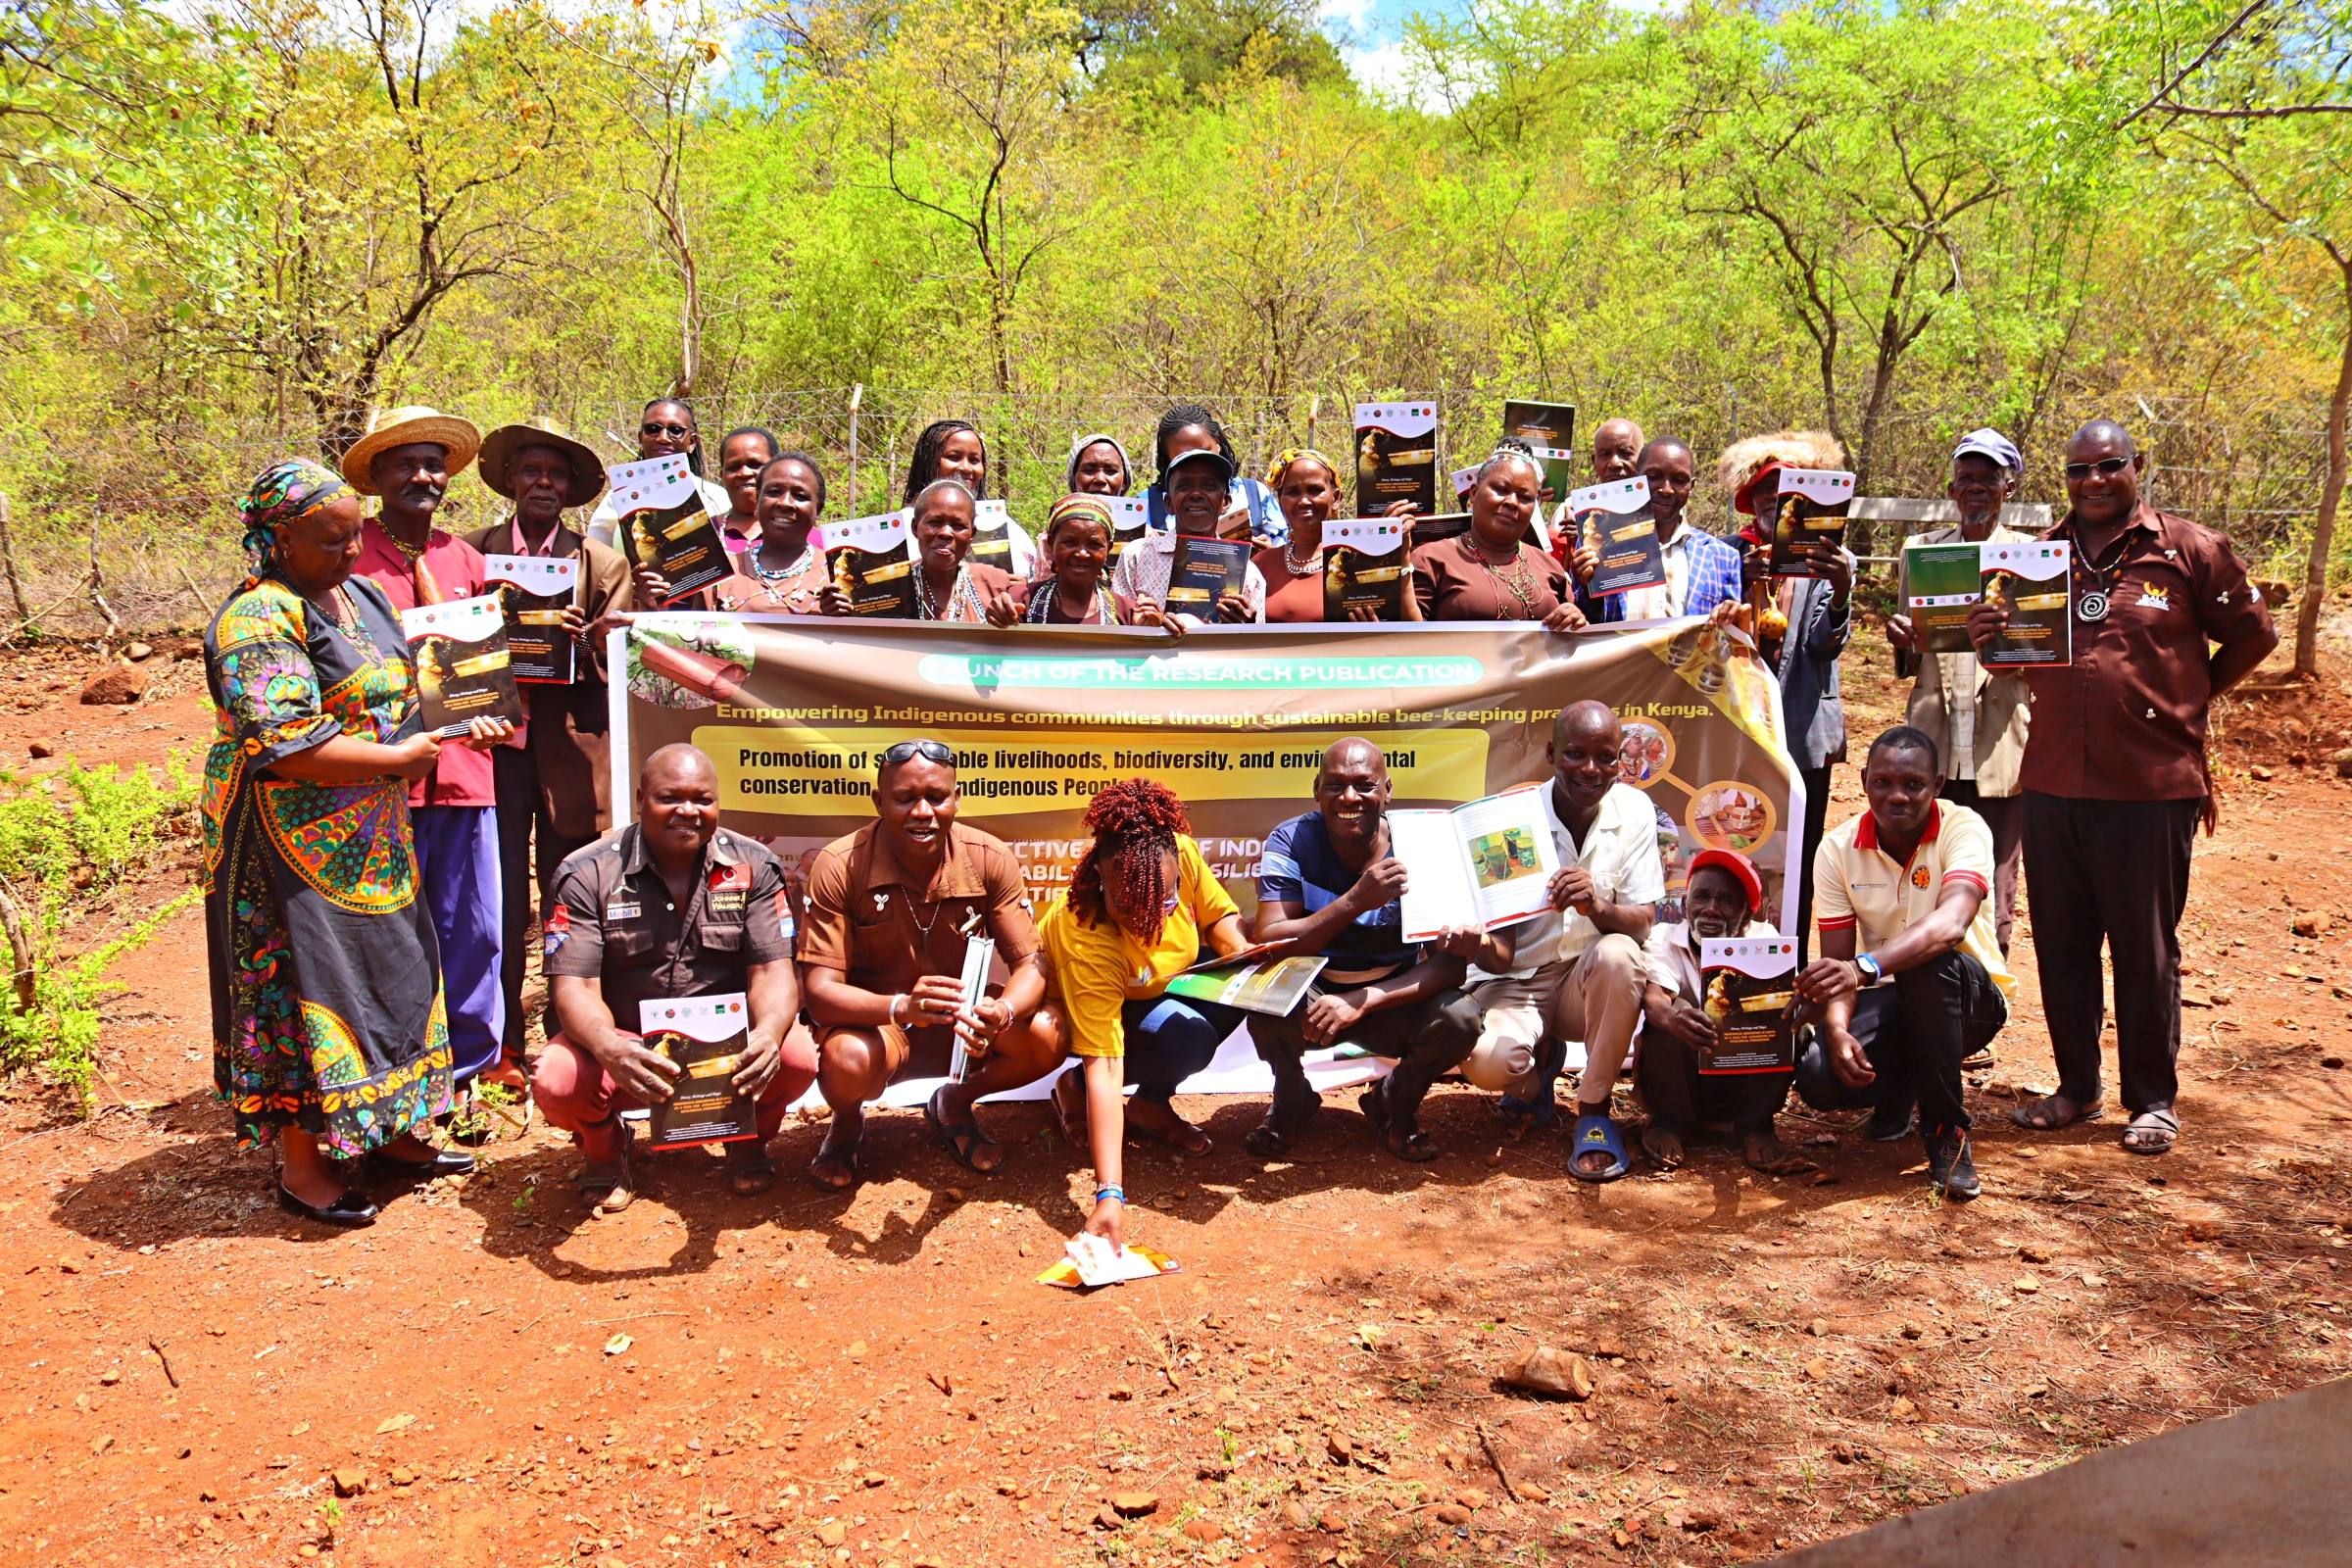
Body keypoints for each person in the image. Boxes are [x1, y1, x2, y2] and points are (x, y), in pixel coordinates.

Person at [205, 461, 508, 1227]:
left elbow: (409, 686)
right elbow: (284, 741)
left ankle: (394, 1130)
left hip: (371, 829)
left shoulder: (360, 592)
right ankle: (304, 1166)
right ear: (278, 541)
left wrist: (461, 717)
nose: (349, 551)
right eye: (330, 541)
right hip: (288, 842)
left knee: (397, 970)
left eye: (352, 535)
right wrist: (399, 761)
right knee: (310, 986)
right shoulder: (258, 619)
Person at [1971, 419, 2277, 1156]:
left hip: (2150, 785)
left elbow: (2254, 634)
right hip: (2050, 782)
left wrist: (2190, 698)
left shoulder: (2186, 549)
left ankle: (2153, 1100)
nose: (2095, 481)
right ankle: (2077, 1088)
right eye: (2079, 471)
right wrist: (1990, 639)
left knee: (2145, 948)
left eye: (2110, 466)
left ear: (2137, 466)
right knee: (2064, 945)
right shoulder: (2037, 557)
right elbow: (2011, 664)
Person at [534, 745, 814, 1212]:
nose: (688, 811)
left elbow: (772, 970)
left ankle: (745, 1139)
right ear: (641, 798)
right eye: (670, 798)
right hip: (624, 1040)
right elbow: (575, 987)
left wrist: (766, 1033)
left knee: (796, 1055)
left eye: (703, 799)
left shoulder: (755, 866)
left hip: (723, 1042)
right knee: (558, 1080)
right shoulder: (586, 873)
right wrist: (607, 1044)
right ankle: (607, 1150)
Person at [339, 405, 507, 1090]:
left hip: (467, 773)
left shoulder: (464, 558)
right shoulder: (348, 558)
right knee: (394, 933)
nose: (422, 476)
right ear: (377, 476)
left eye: (433, 463)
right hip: (386, 778)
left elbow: (482, 667)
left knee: (474, 931)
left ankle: (470, 1068)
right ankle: (401, 1068)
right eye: (404, 463)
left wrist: (496, 714)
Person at [797, 740, 1047, 1189]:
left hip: (963, 1025)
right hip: (881, 1029)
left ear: (956, 798)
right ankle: (849, 1122)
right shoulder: (839, 864)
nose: (922, 812)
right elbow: (820, 993)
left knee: (1047, 1033)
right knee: (847, 1059)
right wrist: (900, 1008)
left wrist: (1002, 1011)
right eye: (905, 798)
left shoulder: (989, 857)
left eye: (936, 796)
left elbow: (1032, 963)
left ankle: (954, 1102)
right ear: (878, 801)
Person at [467, 418, 634, 1087]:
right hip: (494, 752)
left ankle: (569, 1030)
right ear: (510, 480)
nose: (543, 483)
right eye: (532, 471)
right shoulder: (470, 557)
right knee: (499, 898)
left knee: (569, 894)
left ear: (572, 492)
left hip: (573, 754)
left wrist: (589, 637)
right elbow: (442, 653)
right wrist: (489, 627)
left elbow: (618, 663)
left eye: (556, 475)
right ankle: (498, 1039)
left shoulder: (603, 564)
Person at [1245, 740, 1494, 1160]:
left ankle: (1394, 1104)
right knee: (1262, 1001)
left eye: (1364, 785)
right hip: (1313, 996)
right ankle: (1292, 1099)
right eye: (1335, 785)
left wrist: (1362, 1001)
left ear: (1387, 790)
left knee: (1460, 1017)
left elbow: (1450, 969)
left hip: (1392, 997)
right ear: (1316, 788)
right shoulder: (1290, 840)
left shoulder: (1422, 846)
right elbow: (1270, 940)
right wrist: (1355, 900)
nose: (1349, 798)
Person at [1791, 727, 2012, 1199]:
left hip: (1971, 999)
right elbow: (1837, 964)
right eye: (1884, 782)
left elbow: (1951, 924)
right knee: (1819, 1076)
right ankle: (1901, 1089)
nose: (1898, 796)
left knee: (1926, 962)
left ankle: (1945, 1132)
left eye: (1913, 785)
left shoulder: (1963, 828)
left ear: (1938, 785)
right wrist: (1836, 1029)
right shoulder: (1837, 849)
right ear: (1865, 780)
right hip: (1895, 996)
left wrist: (1861, 968)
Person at [1036, 781, 1255, 1245]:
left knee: (1241, 993)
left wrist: (1241, 952)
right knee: (1186, 1038)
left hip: (1156, 991)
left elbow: (1217, 917)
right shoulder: (1087, 935)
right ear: (1099, 874)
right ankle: (1070, 1086)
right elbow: (1107, 1061)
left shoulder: (1178, 853)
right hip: (1094, 1014)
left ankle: (1150, 1107)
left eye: (1164, 901)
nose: (1147, 918)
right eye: (1129, 906)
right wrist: (1109, 1194)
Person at [1459, 701, 1660, 1182]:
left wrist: (1598, 907)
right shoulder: (1509, 818)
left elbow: (1644, 921)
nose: (1590, 769)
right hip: (1517, 980)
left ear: (1620, 762)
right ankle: (1538, 1072)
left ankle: (1593, 1109)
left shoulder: (1634, 809)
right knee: (1488, 1064)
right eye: (1574, 754)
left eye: (1606, 757)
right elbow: (1500, 946)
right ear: (1551, 753)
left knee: (1620, 954)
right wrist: (1464, 939)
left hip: (1585, 983)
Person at [1886, 429, 2032, 957]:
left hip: (2001, 746)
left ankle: (1988, 999)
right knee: (1927, 873)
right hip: (1935, 742)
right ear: (1951, 487)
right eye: (1966, 478)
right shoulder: (1922, 553)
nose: (1975, 488)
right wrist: (1901, 640)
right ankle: (1932, 1000)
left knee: (1997, 885)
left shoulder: (2031, 559)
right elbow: (1912, 655)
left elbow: (2045, 659)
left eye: (1988, 478)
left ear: (2008, 487)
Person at [1722, 429, 1854, 960]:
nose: (1772, 504)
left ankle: (1790, 970)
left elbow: (1824, 646)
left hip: (1802, 731)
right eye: (1762, 494)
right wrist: (1737, 578)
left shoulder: (1828, 562)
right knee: (1734, 841)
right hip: (1736, 733)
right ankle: (1725, 960)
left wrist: (1842, 590)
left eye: (1783, 495)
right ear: (1749, 502)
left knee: (1798, 855)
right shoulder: (1726, 553)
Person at [1636, 849, 1811, 1174]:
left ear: (1746, 914)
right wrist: (1672, 1018)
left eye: (1727, 901)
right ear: (1686, 902)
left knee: (1787, 1019)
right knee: (1677, 1012)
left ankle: (1755, 1125)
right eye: (1701, 896)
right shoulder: (1664, 938)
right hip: (1685, 1083)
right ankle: (1670, 1123)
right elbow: (1655, 998)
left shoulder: (1766, 940)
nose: (1711, 909)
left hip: (1742, 1082)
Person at [1410, 450, 1586, 629]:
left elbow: (1578, 631)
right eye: (1501, 490)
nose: (1512, 502)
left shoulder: (1549, 566)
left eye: (1525, 497)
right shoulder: (1430, 559)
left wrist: (1576, 620)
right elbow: (1405, 638)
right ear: (1473, 493)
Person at [1580, 436, 1744, 625]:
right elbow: (1586, 620)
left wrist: (1731, 617)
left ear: (1691, 486)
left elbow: (1730, 638)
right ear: (1635, 477)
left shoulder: (1722, 557)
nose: (1666, 489)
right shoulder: (1600, 544)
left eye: (1679, 480)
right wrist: (1587, 587)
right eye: (1654, 477)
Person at [1253, 449, 1425, 623]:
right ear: (1281, 500)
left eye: (1314, 490)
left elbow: (1413, 630)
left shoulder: (1363, 561)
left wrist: (1399, 556)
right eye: (1293, 492)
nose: (1304, 500)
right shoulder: (1261, 566)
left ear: (1336, 498)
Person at [1111, 446, 1266, 627]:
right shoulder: (1137, 556)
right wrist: (1144, 627)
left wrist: (1247, 629)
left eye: (1209, 486)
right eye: (1184, 486)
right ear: (1168, 504)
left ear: (1226, 503)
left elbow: (1252, 648)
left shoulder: (1247, 574)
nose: (1196, 494)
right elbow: (1117, 628)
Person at [586, 397, 731, 550]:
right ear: (640, 438)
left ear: (692, 442)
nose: (663, 438)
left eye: (676, 431)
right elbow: (597, 563)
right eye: (653, 429)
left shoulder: (717, 498)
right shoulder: (616, 500)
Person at [902, 419, 1035, 578]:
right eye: (953, 457)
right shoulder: (901, 529)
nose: (966, 468)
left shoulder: (1000, 523)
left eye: (974, 460)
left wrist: (1021, 588)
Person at [713, 452, 830, 614]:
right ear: (757, 501)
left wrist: (843, 620)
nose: (785, 503)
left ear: (818, 509)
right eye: (774, 492)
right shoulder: (723, 573)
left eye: (800, 496)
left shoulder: (837, 573)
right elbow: (689, 632)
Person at [998, 496, 1136, 625]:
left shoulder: (1128, 614)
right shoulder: (1019, 602)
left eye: (1094, 544)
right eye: (1070, 542)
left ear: (1108, 549)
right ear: (1051, 544)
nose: (1082, 554)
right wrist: (999, 618)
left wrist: (1148, 630)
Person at [1550, 416, 1642, 583]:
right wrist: (1580, 542)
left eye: (1626, 453)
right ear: (1594, 461)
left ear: (1642, 458)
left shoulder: (1656, 510)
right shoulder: (1571, 510)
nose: (1614, 463)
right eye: (1605, 454)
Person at [713, 424, 780, 556]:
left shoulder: (806, 537)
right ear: (722, 476)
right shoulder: (700, 535)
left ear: (777, 469)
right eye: (733, 467)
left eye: (755, 465)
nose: (744, 473)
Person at [1067, 432, 1135, 497]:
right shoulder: (1059, 508)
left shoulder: (1142, 507)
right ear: (1073, 480)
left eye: (1111, 471)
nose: (1100, 479)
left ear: (1124, 482)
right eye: (1089, 470)